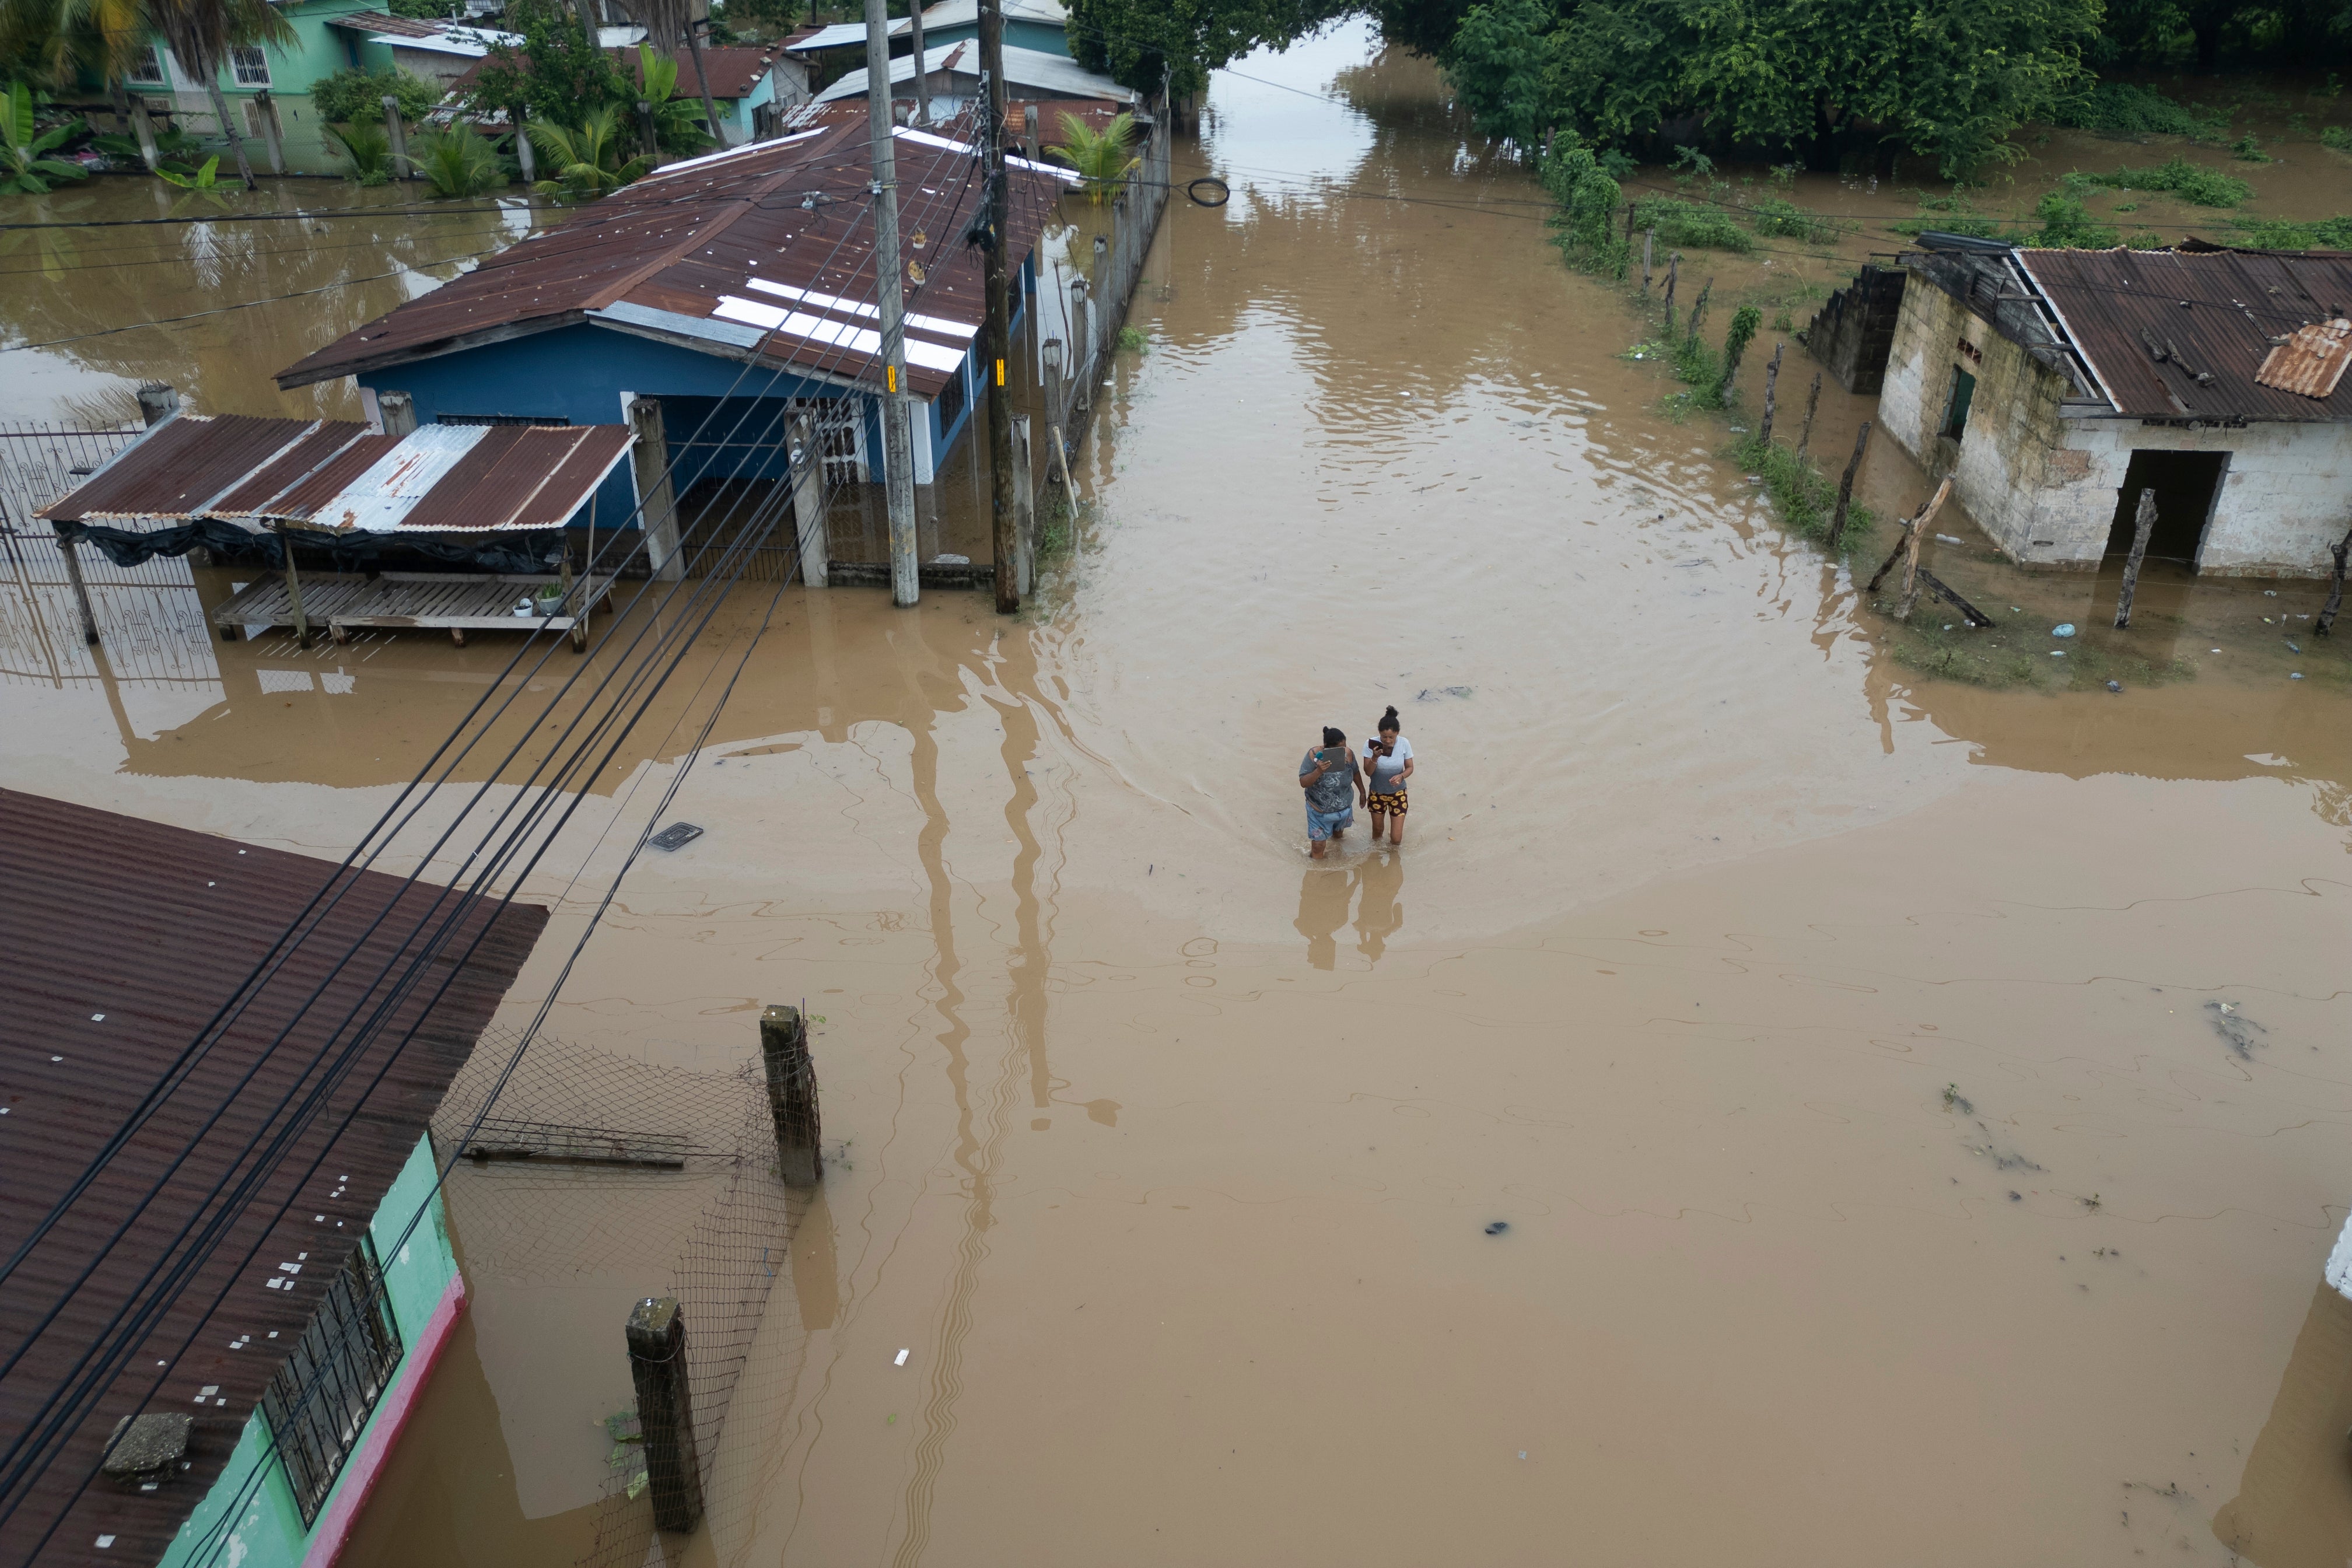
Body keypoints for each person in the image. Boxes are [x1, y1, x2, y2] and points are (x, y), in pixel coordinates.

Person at [1298, 725, 1362, 859]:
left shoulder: (1348, 753)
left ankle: (1336, 874)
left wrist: (1362, 792)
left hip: (1343, 809)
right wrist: (1319, 771)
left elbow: (1355, 772)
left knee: (1338, 838)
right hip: (1319, 811)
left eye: (1344, 747)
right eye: (1338, 749)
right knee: (1318, 848)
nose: (1343, 751)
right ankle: (1316, 873)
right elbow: (1303, 782)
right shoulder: (1313, 756)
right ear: (1326, 747)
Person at [1362, 705, 1415, 845]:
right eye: (1384, 737)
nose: (1388, 741)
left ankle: (1394, 862)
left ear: (1397, 733)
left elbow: (1410, 768)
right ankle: (1376, 860)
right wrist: (1374, 758)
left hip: (1398, 794)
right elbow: (1368, 772)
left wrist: (1401, 776)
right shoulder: (1370, 744)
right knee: (1377, 832)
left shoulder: (1404, 743)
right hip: (1377, 793)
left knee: (1396, 839)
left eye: (1391, 737)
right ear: (1379, 733)